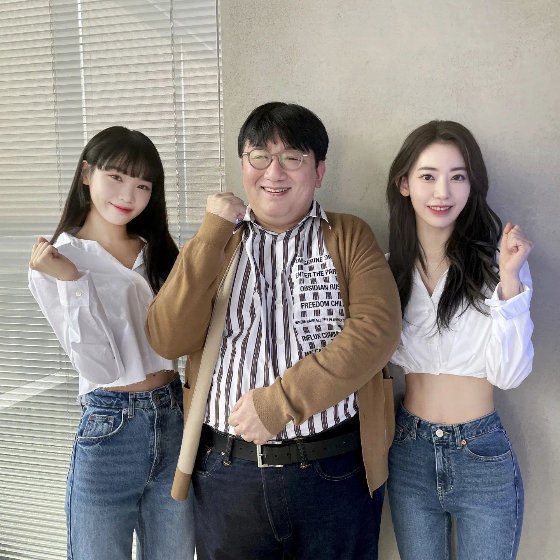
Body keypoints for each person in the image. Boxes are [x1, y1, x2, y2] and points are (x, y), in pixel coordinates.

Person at [146, 102, 401, 559]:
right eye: (259, 156)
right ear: (243, 164)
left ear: (318, 171)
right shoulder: (217, 242)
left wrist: (279, 403)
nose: (273, 172)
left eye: (292, 158)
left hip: (334, 471)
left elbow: (376, 332)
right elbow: (167, 338)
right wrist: (210, 234)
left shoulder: (348, 236)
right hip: (226, 474)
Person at [28, 126, 195, 560]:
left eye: (142, 185)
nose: (128, 195)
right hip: (110, 430)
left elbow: (187, 336)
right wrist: (72, 281)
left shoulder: (158, 252)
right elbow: (99, 369)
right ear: (87, 174)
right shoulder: (57, 261)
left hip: (174, 419)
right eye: (116, 177)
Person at [385, 120, 534, 560]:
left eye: (457, 177)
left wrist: (509, 280)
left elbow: (509, 375)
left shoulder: (498, 265)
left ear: (472, 186)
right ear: (404, 184)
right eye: (428, 176)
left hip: (481, 452)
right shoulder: (387, 270)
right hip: (408, 449)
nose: (442, 192)